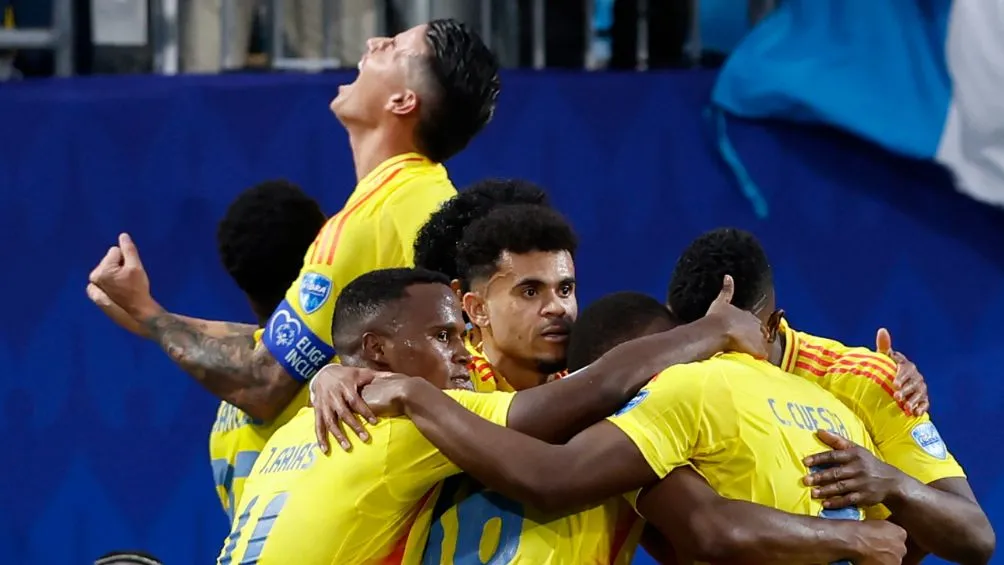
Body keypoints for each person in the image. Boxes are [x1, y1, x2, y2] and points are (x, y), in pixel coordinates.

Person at [87, 19, 502, 434]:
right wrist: (153, 320)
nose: (374, 41)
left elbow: (263, 382)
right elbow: (283, 348)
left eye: (393, 47)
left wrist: (152, 316)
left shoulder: (373, 217)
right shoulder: (418, 197)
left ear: (402, 101)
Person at [216, 267, 772, 564]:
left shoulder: (295, 427)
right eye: (442, 336)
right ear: (378, 351)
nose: (462, 353)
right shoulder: (401, 415)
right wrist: (709, 331)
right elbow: (578, 410)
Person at [355, 285, 911, 564]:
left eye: (566, 287)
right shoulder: (826, 398)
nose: (555, 308)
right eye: (528, 290)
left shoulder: (430, 412)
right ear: (476, 305)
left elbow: (698, 536)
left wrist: (367, 381)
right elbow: (708, 530)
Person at [665, 227, 995, 564]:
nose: (714, 356)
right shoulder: (676, 376)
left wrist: (893, 484)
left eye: (728, 338)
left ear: (773, 325)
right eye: (699, 340)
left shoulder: (866, 381)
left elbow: (976, 537)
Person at [87, 180, 327, 521]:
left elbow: (258, 344)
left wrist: (156, 319)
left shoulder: (227, 408)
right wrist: (152, 317)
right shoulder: (341, 374)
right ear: (321, 261)